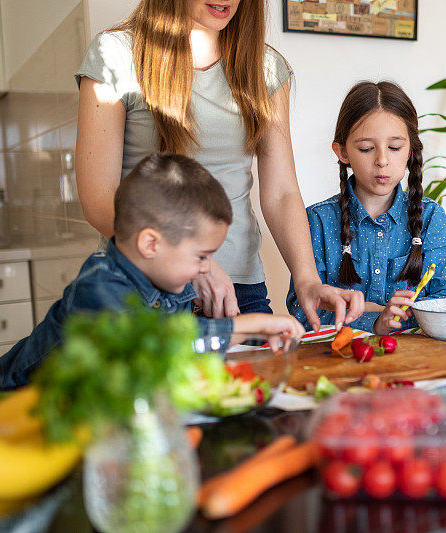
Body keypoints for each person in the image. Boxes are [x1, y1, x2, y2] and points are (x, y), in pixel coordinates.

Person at [74, 0, 362, 329]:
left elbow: (281, 192)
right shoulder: (116, 54)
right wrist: (195, 262)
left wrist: (308, 279)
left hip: (238, 289)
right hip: (138, 287)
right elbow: (98, 197)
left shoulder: (266, 68)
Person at [0, 154, 305, 391]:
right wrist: (253, 323)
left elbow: (184, 349)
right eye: (201, 256)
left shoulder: (169, 286)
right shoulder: (98, 286)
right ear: (150, 243)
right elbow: (160, 343)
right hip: (5, 407)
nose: (206, 269)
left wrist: (257, 335)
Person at [287, 81, 446, 335]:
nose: (382, 160)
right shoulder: (317, 220)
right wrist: (372, 320)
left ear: (411, 150)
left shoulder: (430, 218)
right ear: (342, 151)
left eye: (394, 147)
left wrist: (387, 315)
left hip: (417, 363)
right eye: (366, 148)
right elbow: (301, 309)